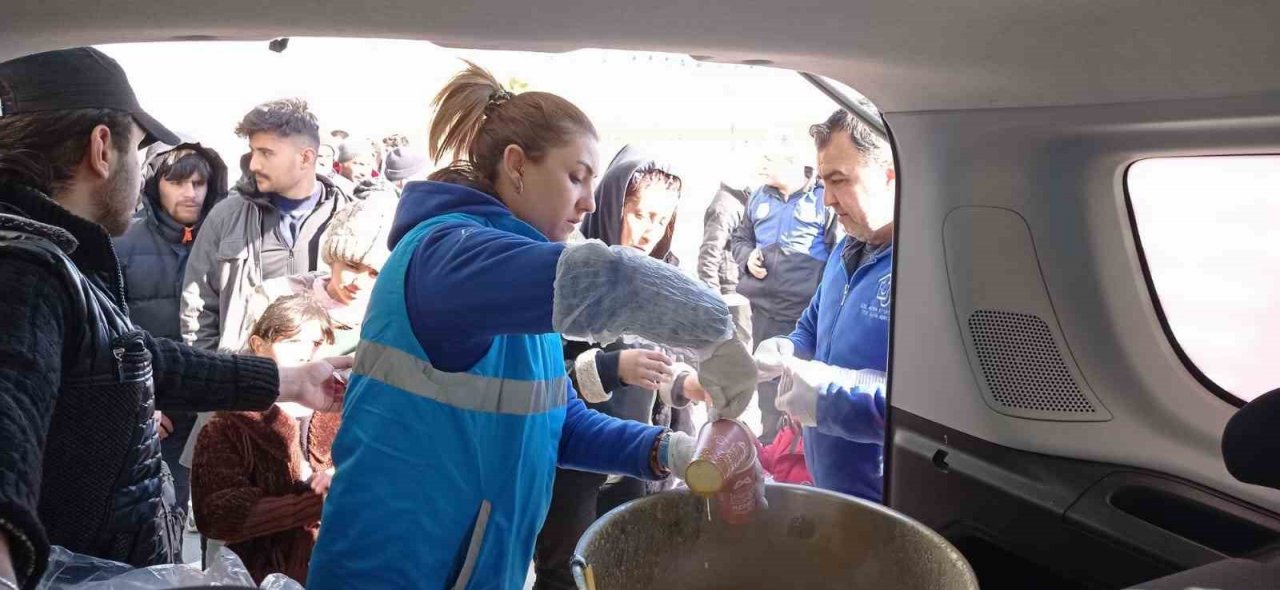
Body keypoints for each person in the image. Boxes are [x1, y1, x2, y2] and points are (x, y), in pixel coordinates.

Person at [307, 63, 756, 589]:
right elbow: (605, 279)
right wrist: (715, 331)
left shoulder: (518, 286)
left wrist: (669, 451)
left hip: (476, 570)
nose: (589, 202)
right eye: (576, 177)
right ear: (516, 166)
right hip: (390, 569)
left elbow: (555, 422)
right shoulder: (447, 256)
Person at [0, 47, 348, 589]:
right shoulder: (24, 271)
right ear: (101, 149)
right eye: (141, 150)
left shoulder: (55, 259)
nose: (144, 169)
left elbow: (131, 353)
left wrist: (291, 379)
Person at [533, 146, 703, 589]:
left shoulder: (665, 284)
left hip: (637, 462)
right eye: (641, 214)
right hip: (572, 465)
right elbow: (541, 380)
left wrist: (686, 385)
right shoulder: (572, 276)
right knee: (565, 571)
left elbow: (663, 373)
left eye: (661, 220)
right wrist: (610, 368)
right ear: (612, 207)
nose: (650, 231)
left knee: (626, 567)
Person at [754, 109, 895, 502]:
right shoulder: (845, 250)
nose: (827, 199)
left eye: (839, 181)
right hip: (829, 484)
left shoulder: (922, 270)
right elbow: (811, 328)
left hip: (885, 497)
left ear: (891, 175)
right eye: (822, 182)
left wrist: (827, 396)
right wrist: (787, 348)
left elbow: (927, 404)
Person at [113, 139, 229, 524]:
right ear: (154, 184)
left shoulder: (227, 242)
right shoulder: (123, 244)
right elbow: (110, 334)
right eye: (179, 182)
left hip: (217, 403)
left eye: (199, 183)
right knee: (158, 520)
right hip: (156, 413)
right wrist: (140, 402)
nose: (191, 193)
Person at [181, 98, 354, 354]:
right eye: (253, 151)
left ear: (306, 158)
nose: (253, 164)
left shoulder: (351, 220)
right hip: (243, 382)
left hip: (324, 383)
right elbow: (198, 307)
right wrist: (216, 377)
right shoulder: (226, 216)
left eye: (266, 153)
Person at [191, 293, 341, 585]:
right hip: (252, 572)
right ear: (259, 345)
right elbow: (216, 513)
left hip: (327, 565)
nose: (306, 354)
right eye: (293, 342)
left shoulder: (339, 413)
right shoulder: (231, 422)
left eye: (316, 344)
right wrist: (316, 502)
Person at [731, 146, 838, 443]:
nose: (761, 163)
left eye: (769, 157)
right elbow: (740, 238)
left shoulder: (822, 198)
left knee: (801, 386)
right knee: (766, 384)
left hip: (803, 314)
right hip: (763, 311)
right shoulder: (758, 196)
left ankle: (801, 451)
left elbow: (839, 254)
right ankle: (770, 444)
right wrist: (747, 256)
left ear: (792, 161)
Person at [239, 196, 397, 357]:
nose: (360, 283)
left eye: (375, 273)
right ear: (332, 258)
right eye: (352, 266)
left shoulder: (386, 324)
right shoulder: (274, 296)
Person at [698, 178, 753, 348]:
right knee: (738, 349)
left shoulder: (742, 202)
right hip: (729, 292)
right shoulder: (725, 207)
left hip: (739, 287)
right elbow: (708, 255)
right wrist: (714, 301)